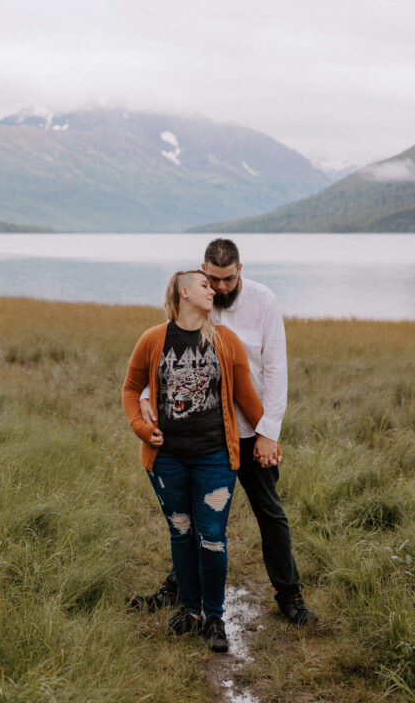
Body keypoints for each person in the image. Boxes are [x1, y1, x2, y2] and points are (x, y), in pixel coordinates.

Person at [131, 238, 318, 628]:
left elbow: (275, 370)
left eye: (228, 280)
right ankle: (180, 590)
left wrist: (268, 431)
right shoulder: (194, 298)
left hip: (250, 429)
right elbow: (167, 361)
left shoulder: (263, 302)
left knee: (269, 511)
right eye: (212, 280)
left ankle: (290, 595)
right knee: (197, 520)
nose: (220, 288)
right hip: (203, 432)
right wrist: (148, 397)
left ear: (240, 271)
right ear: (202, 272)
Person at [122, 269, 264, 653]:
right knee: (181, 532)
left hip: (215, 459)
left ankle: (214, 617)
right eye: (204, 285)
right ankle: (190, 612)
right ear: (184, 292)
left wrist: (268, 435)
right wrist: (140, 426)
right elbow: (132, 388)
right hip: (166, 461)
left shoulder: (226, 341)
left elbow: (247, 399)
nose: (213, 290)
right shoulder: (153, 339)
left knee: (212, 537)